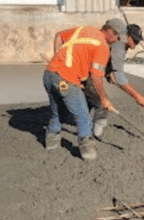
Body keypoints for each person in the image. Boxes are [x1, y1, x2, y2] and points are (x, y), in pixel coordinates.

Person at [43, 19, 125, 160]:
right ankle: (87, 148)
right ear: (110, 32)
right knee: (83, 116)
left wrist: (57, 57)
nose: (117, 41)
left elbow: (59, 36)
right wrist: (103, 99)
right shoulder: (103, 46)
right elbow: (96, 77)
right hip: (65, 81)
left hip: (49, 76)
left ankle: (52, 139)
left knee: (58, 110)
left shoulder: (83, 30)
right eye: (118, 37)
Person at [84, 19, 144, 138]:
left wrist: (109, 72)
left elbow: (108, 58)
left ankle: (87, 127)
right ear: (127, 35)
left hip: (90, 67)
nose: (135, 45)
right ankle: (91, 130)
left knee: (90, 98)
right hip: (87, 69)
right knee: (100, 100)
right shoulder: (120, 44)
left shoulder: (121, 45)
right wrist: (137, 96)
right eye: (134, 40)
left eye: (138, 41)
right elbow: (119, 77)